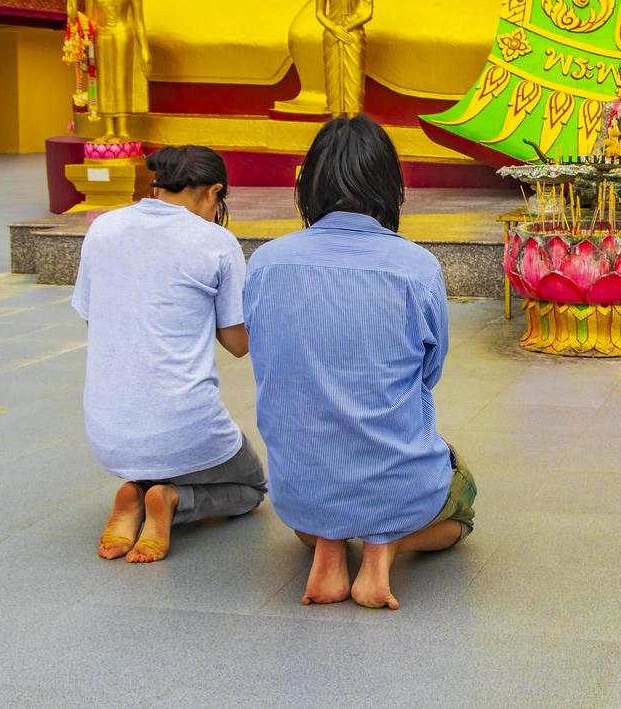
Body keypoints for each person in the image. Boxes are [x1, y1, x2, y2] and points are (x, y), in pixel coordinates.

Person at [244, 115, 476, 609]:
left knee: (320, 506)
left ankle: (329, 554)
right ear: (389, 186)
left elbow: (265, 359)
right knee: (463, 505)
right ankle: (383, 552)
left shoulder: (265, 263)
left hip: (299, 495)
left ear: (309, 186)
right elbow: (429, 374)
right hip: (401, 489)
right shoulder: (416, 268)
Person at [71, 145, 266, 563]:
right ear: (214, 191)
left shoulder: (102, 228)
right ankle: (173, 499)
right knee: (252, 490)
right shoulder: (216, 241)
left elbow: (96, 321)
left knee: (157, 444)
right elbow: (238, 344)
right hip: (188, 430)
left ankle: (136, 491)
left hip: (107, 433)